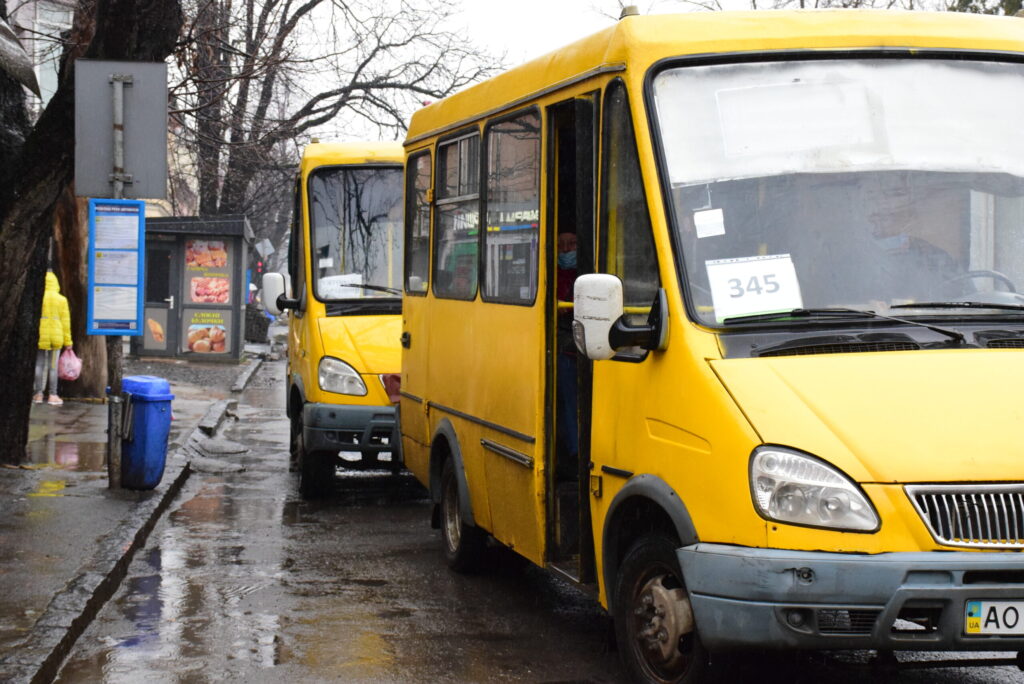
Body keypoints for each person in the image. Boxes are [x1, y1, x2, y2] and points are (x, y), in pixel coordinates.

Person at [556, 231, 579, 479]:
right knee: (569, 402)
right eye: (561, 246)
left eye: (571, 244)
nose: (566, 250)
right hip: (566, 347)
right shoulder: (554, 273)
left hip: (582, 345)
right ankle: (573, 451)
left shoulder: (586, 272)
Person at [34, 270, 72, 406]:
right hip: (56, 338)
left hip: (40, 336)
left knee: (38, 365)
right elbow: (66, 323)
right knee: (53, 367)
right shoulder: (61, 299)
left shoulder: (38, 297)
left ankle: (38, 394)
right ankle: (52, 395)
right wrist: (68, 342)